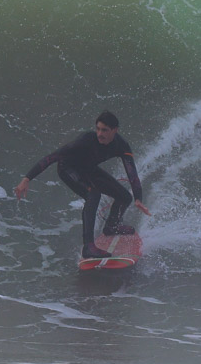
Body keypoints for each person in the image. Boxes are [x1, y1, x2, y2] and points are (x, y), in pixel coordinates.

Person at [14, 111, 151, 259]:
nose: (99, 133)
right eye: (98, 129)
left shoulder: (121, 145)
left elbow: (132, 173)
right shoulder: (86, 139)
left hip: (89, 169)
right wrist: (27, 178)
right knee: (93, 194)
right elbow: (53, 156)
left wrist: (138, 198)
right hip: (68, 168)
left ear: (115, 130)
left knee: (125, 197)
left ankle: (112, 226)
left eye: (104, 130)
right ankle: (89, 247)